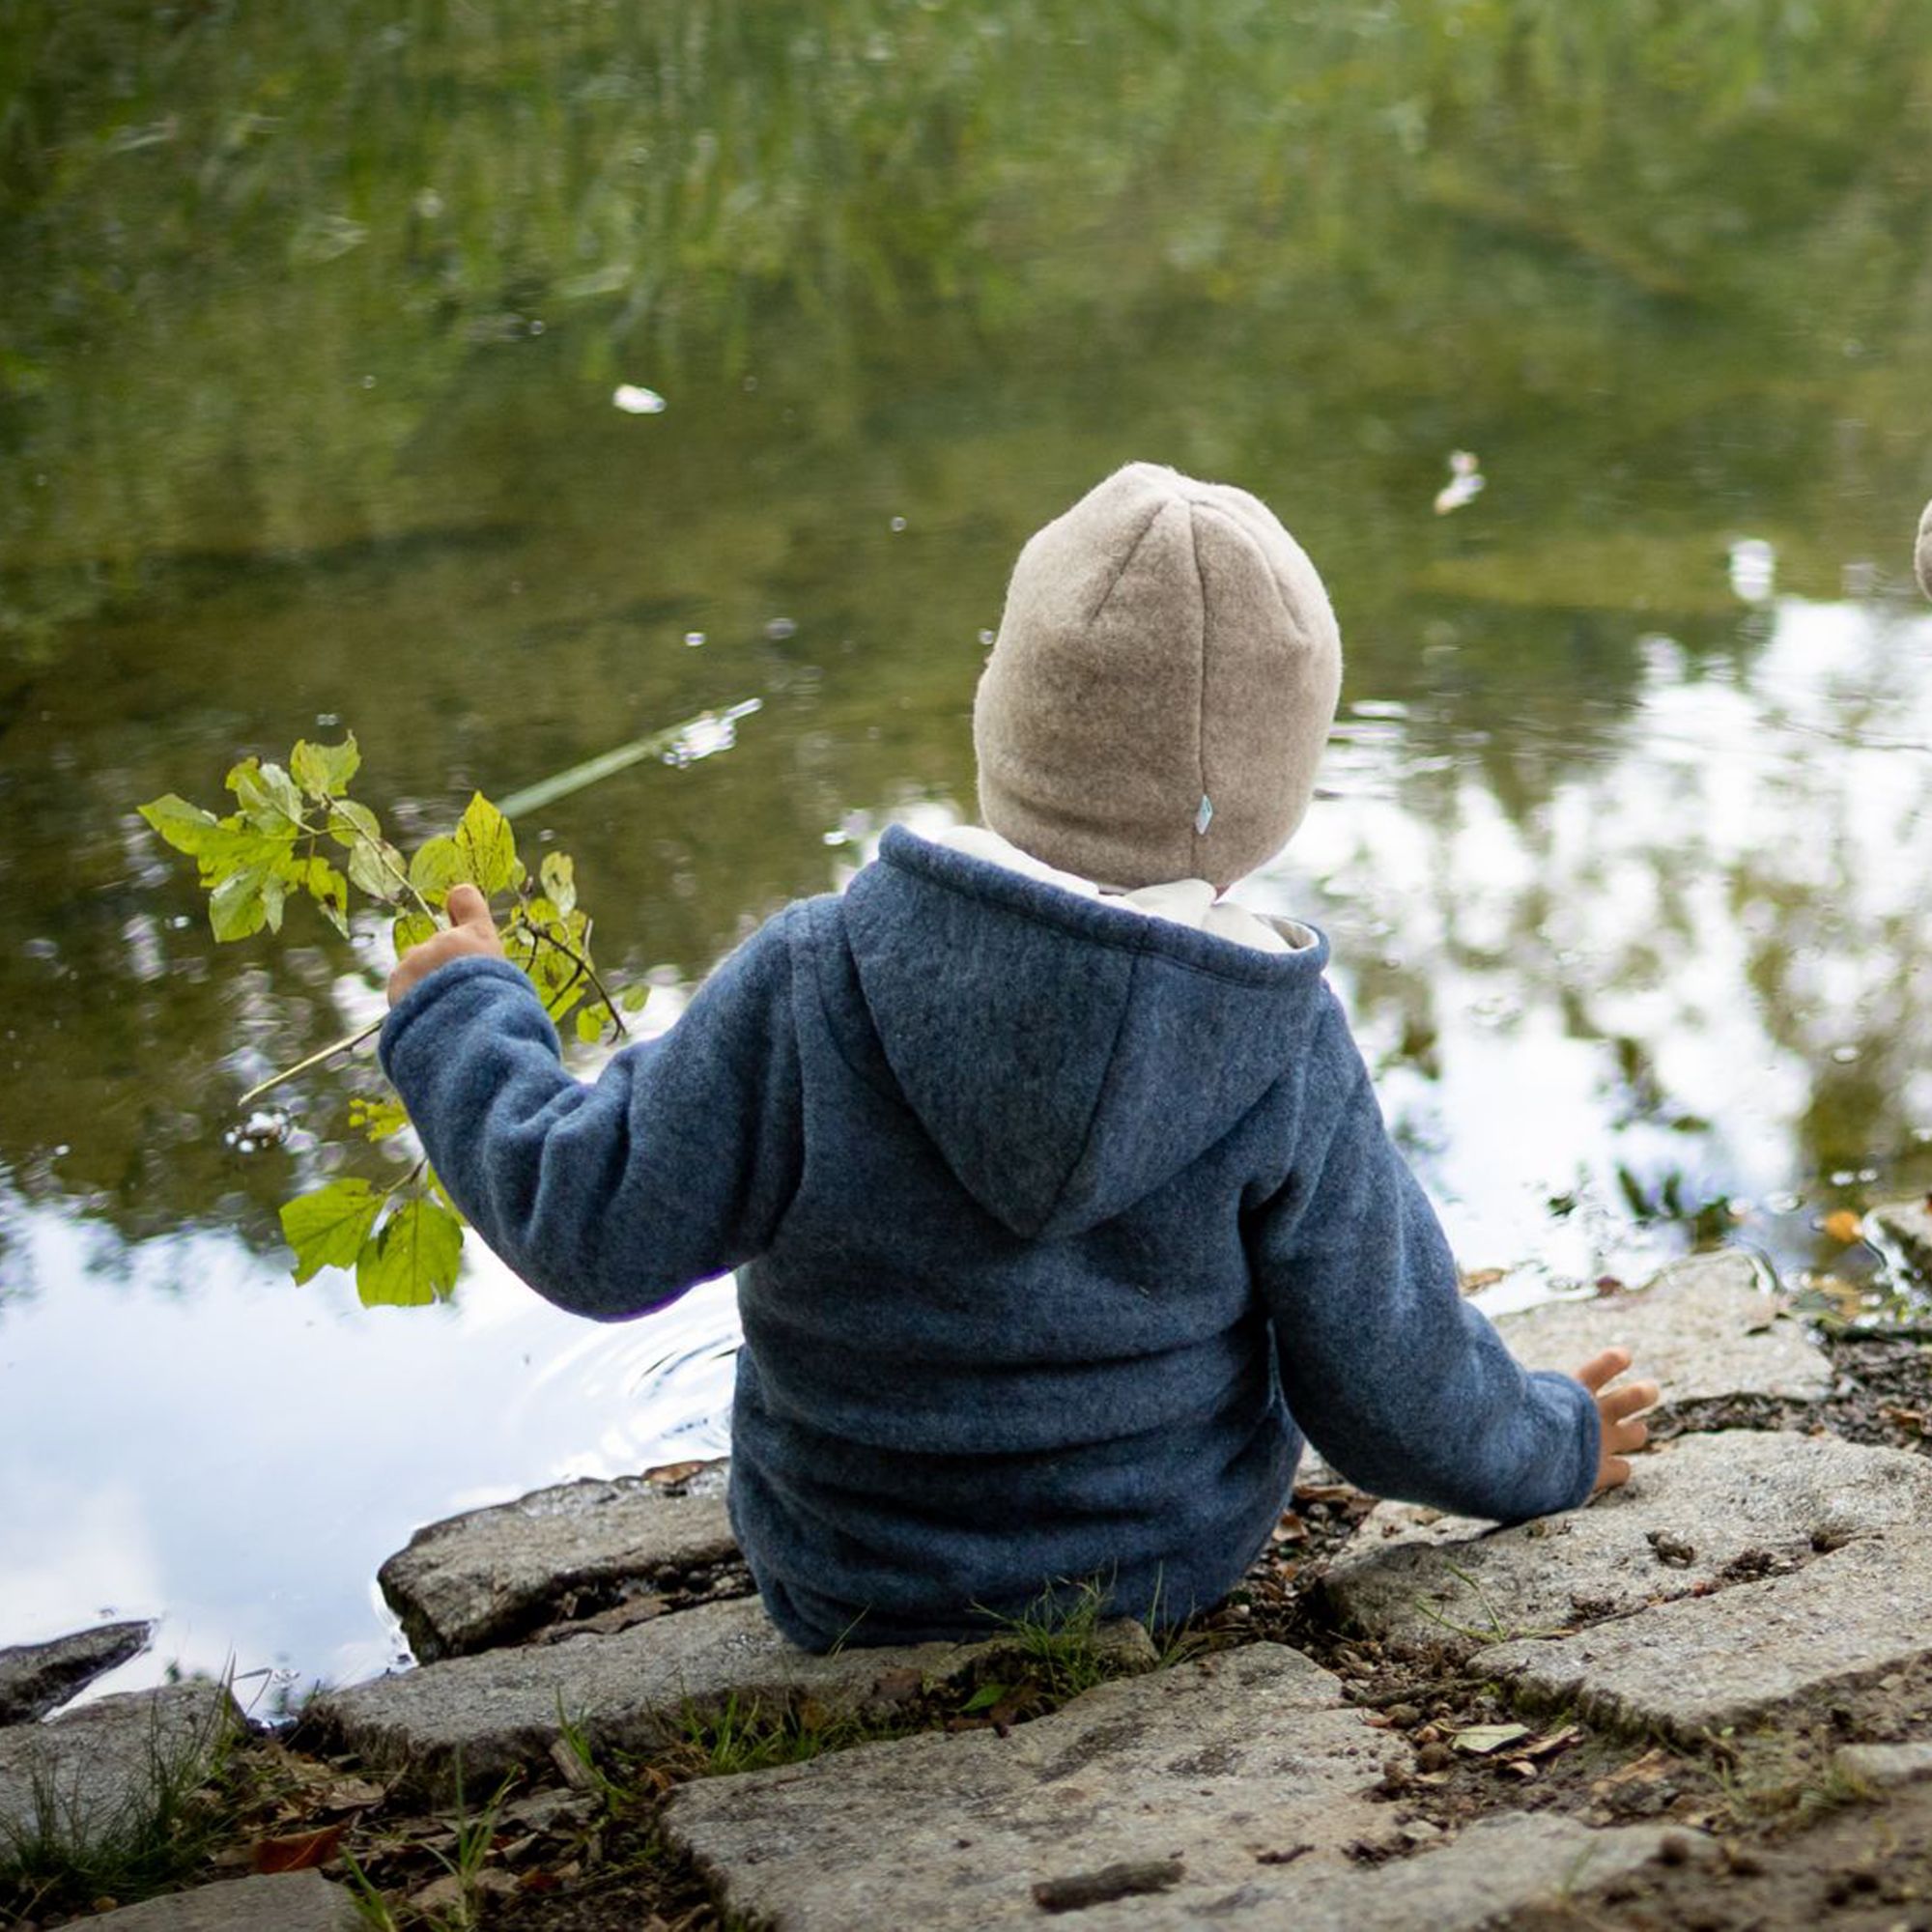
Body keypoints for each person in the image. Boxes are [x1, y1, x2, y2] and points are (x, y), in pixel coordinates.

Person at [380, 462, 1656, 1651]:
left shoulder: (814, 974)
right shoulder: (1280, 1038)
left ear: (1002, 715)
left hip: (847, 1581)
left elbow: (589, 1226)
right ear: (1276, 805)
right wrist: (1549, 1445)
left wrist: (464, 1018)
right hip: (1170, 1562)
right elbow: (1395, 1378)